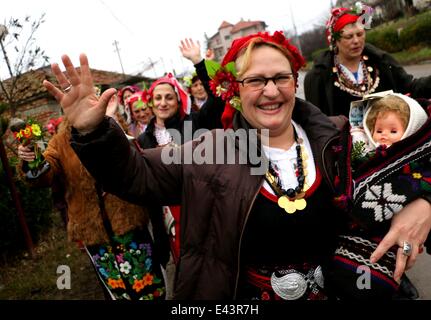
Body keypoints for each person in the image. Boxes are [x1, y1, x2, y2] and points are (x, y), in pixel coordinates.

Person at [42, 31, 431, 300]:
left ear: (294, 82)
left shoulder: (340, 137)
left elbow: (412, 166)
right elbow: (135, 175)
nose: (271, 90)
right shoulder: (210, 151)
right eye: (255, 80)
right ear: (234, 90)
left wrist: (423, 202)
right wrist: (94, 132)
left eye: (281, 77)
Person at [16, 99, 167, 300]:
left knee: (149, 286)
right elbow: (46, 174)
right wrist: (31, 162)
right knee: (118, 291)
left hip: (128, 221)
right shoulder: (60, 142)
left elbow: (133, 157)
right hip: (93, 231)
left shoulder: (110, 128)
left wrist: (111, 120)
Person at [330, 92, 431, 299]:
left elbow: (418, 183)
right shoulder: (362, 149)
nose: (384, 135)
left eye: (393, 130)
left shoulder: (413, 157)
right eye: (378, 130)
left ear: (410, 131)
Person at [304, 2, 431, 118]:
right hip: (346, 141)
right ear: (335, 41)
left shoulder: (381, 62)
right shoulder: (318, 77)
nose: (356, 41)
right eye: (349, 37)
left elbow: (410, 87)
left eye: (360, 34)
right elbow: (316, 121)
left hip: (388, 136)